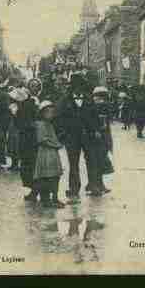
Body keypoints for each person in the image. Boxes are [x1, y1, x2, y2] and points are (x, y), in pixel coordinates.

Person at [56, 74, 92, 202]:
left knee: (91, 161)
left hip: (88, 136)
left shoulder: (89, 99)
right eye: (76, 87)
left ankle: (93, 185)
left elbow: (94, 117)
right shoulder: (64, 101)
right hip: (71, 138)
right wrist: (63, 135)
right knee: (73, 164)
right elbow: (58, 119)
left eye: (80, 86)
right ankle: (74, 189)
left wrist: (94, 131)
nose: (78, 89)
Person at [33, 101, 65, 208]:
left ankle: (54, 198)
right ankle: (45, 199)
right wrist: (56, 145)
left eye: (52, 112)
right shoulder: (40, 124)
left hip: (52, 154)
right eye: (48, 112)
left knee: (55, 176)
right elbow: (42, 140)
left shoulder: (49, 124)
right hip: (45, 153)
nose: (50, 115)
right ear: (42, 113)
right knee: (45, 176)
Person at [17, 78, 42, 202]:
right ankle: (33, 190)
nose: (34, 88)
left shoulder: (43, 100)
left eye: (37, 86)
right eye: (32, 86)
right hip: (28, 137)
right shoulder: (23, 101)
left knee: (42, 164)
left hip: (41, 136)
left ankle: (42, 191)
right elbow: (19, 118)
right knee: (29, 164)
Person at [86, 86, 114, 196]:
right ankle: (94, 186)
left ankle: (99, 184)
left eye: (103, 97)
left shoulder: (105, 108)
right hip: (93, 138)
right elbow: (89, 122)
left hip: (103, 137)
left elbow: (107, 125)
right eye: (98, 97)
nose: (101, 100)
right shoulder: (91, 108)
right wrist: (95, 131)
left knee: (101, 161)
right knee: (94, 162)